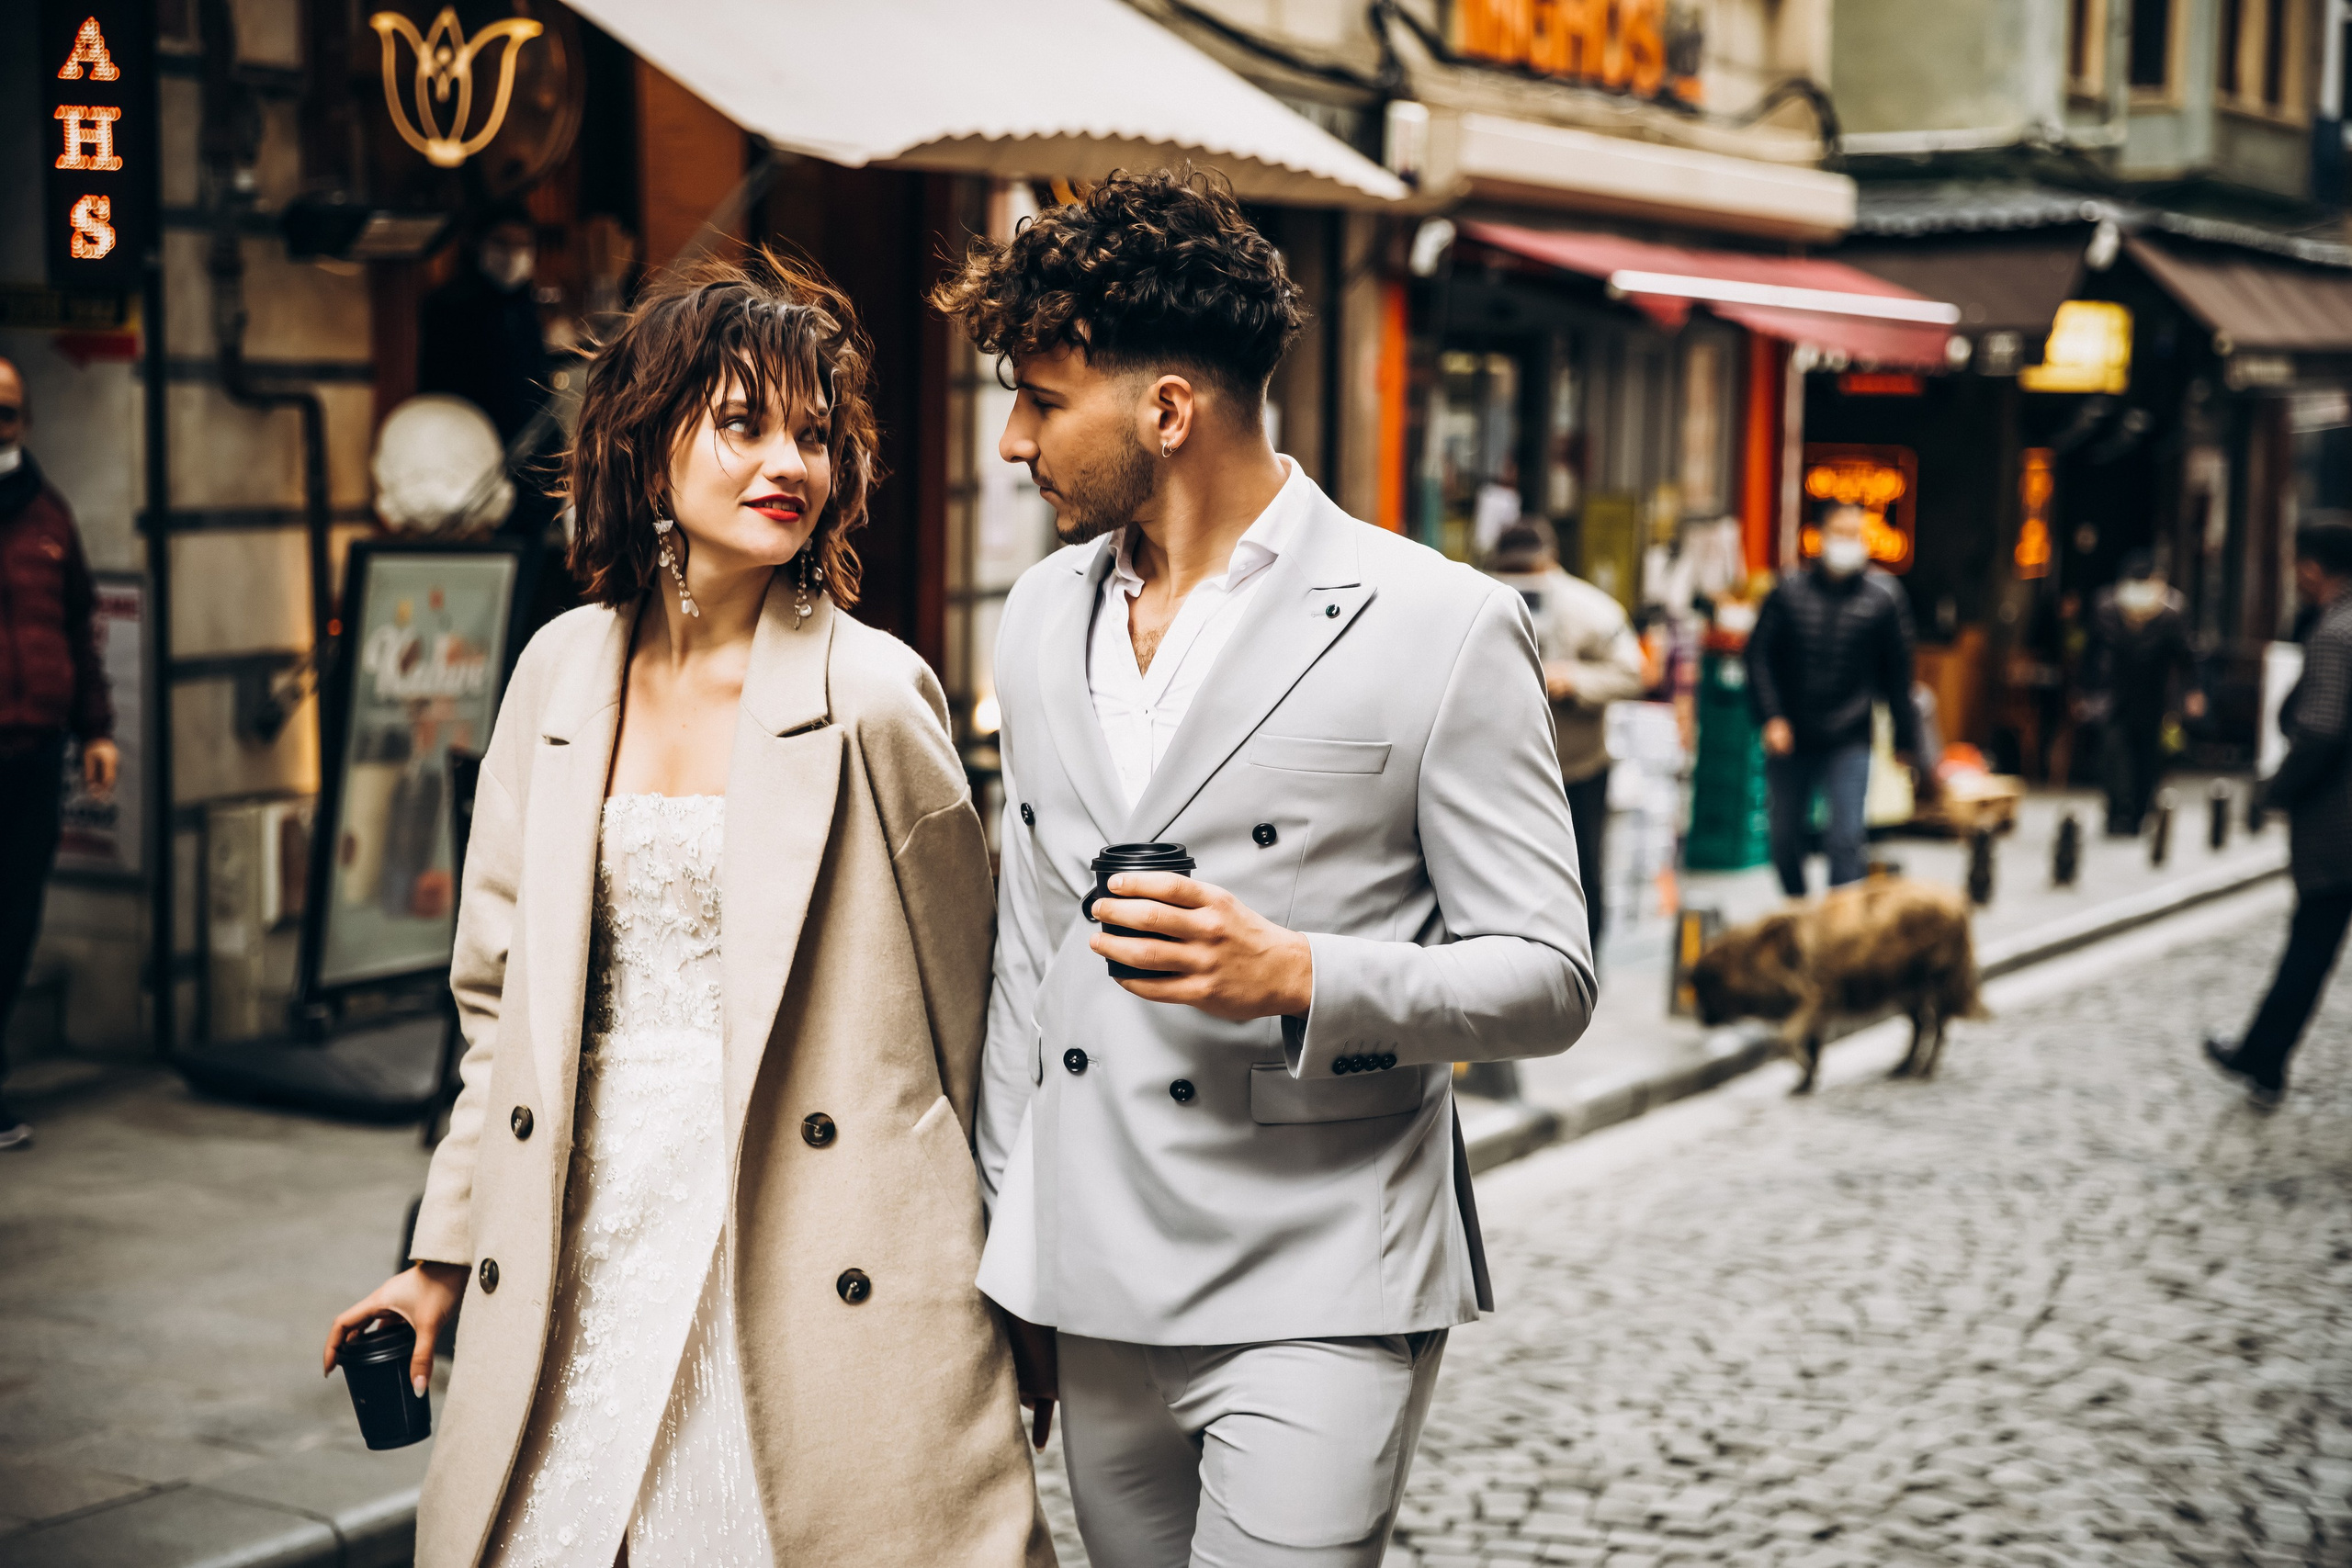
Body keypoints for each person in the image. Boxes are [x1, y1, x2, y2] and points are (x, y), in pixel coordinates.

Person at [325, 253, 1051, 1568]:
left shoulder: (874, 698)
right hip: (581, 1220)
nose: (792, 460)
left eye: (817, 433)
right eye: (744, 422)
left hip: (800, 1223)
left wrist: (1021, 1290)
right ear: (648, 444)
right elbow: (502, 1013)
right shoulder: (556, 675)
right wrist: (439, 1257)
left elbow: (973, 1024)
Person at [935, 168, 1596, 1568]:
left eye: (1043, 400)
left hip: (1322, 1269)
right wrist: (1011, 1255)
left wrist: (1300, 972)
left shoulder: (1440, 622)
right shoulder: (1042, 614)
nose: (1010, 440)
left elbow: (1550, 978)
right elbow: (1030, 962)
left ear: (1166, 410)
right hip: (1096, 1269)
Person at [0, 355, 117, 1152]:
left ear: (26, 422)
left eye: (6, 413)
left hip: (34, 751)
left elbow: (80, 626)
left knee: (15, 919)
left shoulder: (49, 515)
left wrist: (98, 729)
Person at [2206, 518, 2352, 1111]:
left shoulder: (2336, 633)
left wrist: (2275, 792)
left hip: (2340, 827)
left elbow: (2319, 727)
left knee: (2310, 945)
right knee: (2310, 945)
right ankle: (2263, 1055)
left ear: (2313, 569)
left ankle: (2263, 1056)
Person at [1485, 518, 1645, 956]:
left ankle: (1585, 962)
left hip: (1577, 766)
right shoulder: (1481, 598)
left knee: (1580, 870)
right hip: (1501, 769)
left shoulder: (1590, 608)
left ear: (1551, 560)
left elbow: (1633, 673)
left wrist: (1574, 679)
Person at [1745, 502, 1917, 897]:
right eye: (1840, 532)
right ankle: (1800, 912)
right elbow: (1759, 657)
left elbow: (1898, 675)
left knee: (1845, 838)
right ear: (1819, 535)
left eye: (1855, 534)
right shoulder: (1787, 593)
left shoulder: (1884, 598)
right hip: (1792, 734)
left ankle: (1841, 932)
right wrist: (1771, 717)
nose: (1848, 543)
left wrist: (1906, 743)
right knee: (1784, 839)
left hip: (1850, 736)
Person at [2084, 550, 2200, 835]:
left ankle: (2132, 813)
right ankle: (2122, 812)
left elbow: (2185, 654)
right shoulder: (2110, 606)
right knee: (2119, 753)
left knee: (2142, 754)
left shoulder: (2167, 611)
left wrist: (2192, 689)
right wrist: (2085, 689)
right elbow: (2092, 651)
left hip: (2147, 694)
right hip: (2120, 693)